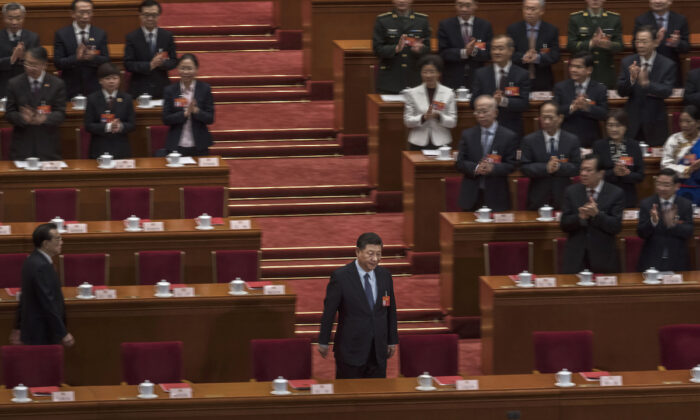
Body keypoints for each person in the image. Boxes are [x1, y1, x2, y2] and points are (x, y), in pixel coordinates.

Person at [318, 232, 398, 379]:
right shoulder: (341, 277)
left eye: (379, 254)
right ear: (357, 252)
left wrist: (392, 340)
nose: (375, 259)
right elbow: (329, 312)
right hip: (350, 350)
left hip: (377, 350)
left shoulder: (385, 276)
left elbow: (390, 309)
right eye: (370, 254)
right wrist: (323, 340)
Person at [9, 223, 75, 347]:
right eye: (58, 239)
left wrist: (17, 327)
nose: (62, 242)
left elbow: (24, 298)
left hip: (33, 331)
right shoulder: (42, 266)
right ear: (45, 244)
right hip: (42, 333)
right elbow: (48, 302)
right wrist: (62, 332)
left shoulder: (31, 261)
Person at [560, 153, 624, 273]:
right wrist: (579, 217)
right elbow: (564, 224)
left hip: (604, 259)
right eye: (582, 169)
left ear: (601, 173)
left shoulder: (615, 193)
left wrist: (597, 215)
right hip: (575, 259)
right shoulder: (571, 191)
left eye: (588, 170)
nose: (583, 174)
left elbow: (616, 226)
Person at [455, 95, 518, 211]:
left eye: (484, 111)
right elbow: (460, 163)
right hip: (471, 196)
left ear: (495, 112)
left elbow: (511, 165)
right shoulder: (468, 135)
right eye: (477, 112)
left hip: (497, 195)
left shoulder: (509, 136)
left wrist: (492, 168)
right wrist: (476, 167)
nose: (481, 115)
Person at [617, 25, 675, 146]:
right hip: (632, 123)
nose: (640, 45)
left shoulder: (667, 64)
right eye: (637, 41)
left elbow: (667, 91)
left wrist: (647, 84)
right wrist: (632, 80)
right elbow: (621, 91)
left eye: (644, 42)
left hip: (656, 123)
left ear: (655, 43)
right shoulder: (627, 62)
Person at [5, 46, 66, 160]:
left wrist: (44, 119)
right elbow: (9, 113)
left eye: (34, 64)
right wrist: (22, 117)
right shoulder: (14, 83)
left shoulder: (57, 84)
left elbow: (60, 114)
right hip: (22, 148)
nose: (29, 68)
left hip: (48, 148)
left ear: (44, 65)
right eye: (27, 63)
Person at [520, 101, 581, 210]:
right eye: (543, 118)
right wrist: (546, 168)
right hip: (538, 198)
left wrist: (559, 167)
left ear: (560, 118)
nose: (546, 121)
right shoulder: (529, 140)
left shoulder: (572, 140)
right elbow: (524, 167)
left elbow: (577, 167)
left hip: (563, 197)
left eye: (550, 118)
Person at [471, 34, 530, 137]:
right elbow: (473, 102)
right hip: (485, 129)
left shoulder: (522, 74)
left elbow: (524, 104)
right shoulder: (481, 74)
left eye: (500, 49)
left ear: (511, 51)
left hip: (512, 129)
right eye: (493, 49)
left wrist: (503, 101)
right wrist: (489, 103)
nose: (496, 52)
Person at [637, 168, 693, 271]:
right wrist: (653, 222)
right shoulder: (647, 204)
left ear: (677, 186)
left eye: (666, 185)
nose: (661, 188)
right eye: (658, 184)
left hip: (677, 261)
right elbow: (641, 233)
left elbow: (689, 232)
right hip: (651, 261)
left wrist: (672, 225)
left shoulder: (685, 204)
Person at [53, 0, 109, 98]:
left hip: (94, 87)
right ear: (72, 14)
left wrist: (93, 57)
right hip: (70, 87)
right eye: (82, 12)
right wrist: (76, 58)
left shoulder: (100, 33)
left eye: (89, 12)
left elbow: (106, 60)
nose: (85, 16)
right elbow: (58, 63)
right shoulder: (61, 34)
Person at [372, 0, 430, 94]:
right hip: (390, 80)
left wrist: (420, 49)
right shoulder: (383, 20)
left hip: (414, 79)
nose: (402, 1)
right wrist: (395, 49)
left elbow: (428, 49)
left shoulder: (422, 20)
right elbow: (376, 49)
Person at [162, 53, 214, 156]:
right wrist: (184, 114)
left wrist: (196, 111)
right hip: (176, 144)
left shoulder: (204, 89)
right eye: (183, 68)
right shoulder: (170, 90)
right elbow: (166, 119)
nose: (186, 72)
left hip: (199, 145)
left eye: (189, 68)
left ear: (196, 69)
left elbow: (210, 118)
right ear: (178, 69)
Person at [553, 52, 608, 148]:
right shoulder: (560, 87)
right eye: (571, 66)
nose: (573, 70)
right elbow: (555, 111)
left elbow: (604, 114)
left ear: (589, 70)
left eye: (578, 67)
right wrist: (572, 107)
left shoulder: (600, 89)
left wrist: (587, 107)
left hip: (591, 141)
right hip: (566, 139)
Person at [124, 0, 177, 99]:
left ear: (159, 15)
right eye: (146, 15)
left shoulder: (167, 36)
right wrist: (150, 65)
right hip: (139, 89)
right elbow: (128, 64)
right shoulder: (132, 37)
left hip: (161, 88)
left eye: (154, 15)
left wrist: (162, 63)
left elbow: (174, 61)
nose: (150, 18)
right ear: (140, 15)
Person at [592, 109, 644, 208]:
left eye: (618, 125)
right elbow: (595, 174)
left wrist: (627, 174)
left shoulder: (634, 145)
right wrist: (613, 172)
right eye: (610, 125)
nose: (614, 129)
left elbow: (640, 176)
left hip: (628, 197)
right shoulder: (599, 146)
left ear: (625, 127)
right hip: (605, 196)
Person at [403, 55, 457, 150]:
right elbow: (407, 121)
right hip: (418, 142)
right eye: (425, 72)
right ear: (421, 73)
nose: (428, 75)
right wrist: (423, 117)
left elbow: (453, 122)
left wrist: (438, 116)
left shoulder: (449, 93)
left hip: (442, 142)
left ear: (439, 73)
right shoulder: (412, 93)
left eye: (432, 72)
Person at [437, 0, 492, 90]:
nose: (464, 9)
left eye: (468, 5)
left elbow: (489, 53)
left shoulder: (485, 26)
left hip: (477, 77)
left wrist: (473, 51)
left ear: (475, 5)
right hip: (452, 78)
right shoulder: (445, 25)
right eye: (460, 5)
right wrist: (464, 52)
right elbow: (443, 53)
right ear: (455, 5)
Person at [506, 0, 560, 92]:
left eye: (533, 9)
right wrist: (523, 57)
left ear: (542, 11)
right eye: (526, 8)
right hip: (518, 79)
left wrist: (538, 58)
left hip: (543, 79)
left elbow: (555, 55)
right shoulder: (513, 29)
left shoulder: (551, 30)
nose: (528, 12)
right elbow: (508, 54)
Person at [567, 0, 622, 89]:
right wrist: (591, 43)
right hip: (582, 74)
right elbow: (571, 45)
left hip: (605, 73)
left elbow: (620, 46)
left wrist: (608, 45)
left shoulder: (614, 18)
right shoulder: (576, 18)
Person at [84, 63, 135, 158]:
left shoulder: (127, 98)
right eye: (107, 78)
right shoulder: (92, 99)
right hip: (99, 148)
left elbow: (132, 124)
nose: (111, 81)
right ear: (100, 80)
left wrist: (120, 126)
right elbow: (88, 125)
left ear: (119, 80)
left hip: (121, 149)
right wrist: (108, 126)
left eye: (115, 78)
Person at [633, 0, 689, 86]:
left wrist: (677, 43)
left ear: (670, 1)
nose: (657, 1)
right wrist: (653, 42)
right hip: (648, 70)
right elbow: (634, 46)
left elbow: (686, 47)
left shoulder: (680, 19)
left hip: (672, 70)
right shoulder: (641, 20)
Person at [661, 105, 700, 204]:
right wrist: (687, 169)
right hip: (679, 190)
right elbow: (665, 166)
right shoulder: (674, 139)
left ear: (698, 123)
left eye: (688, 121)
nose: (684, 125)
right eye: (681, 121)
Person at [0, 3, 39, 98]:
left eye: (18, 18)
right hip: (2, 87)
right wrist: (12, 59)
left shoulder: (33, 38)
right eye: (10, 18)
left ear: (24, 18)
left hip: (26, 87)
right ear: (4, 18)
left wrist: (23, 58)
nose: (14, 22)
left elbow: (38, 64)